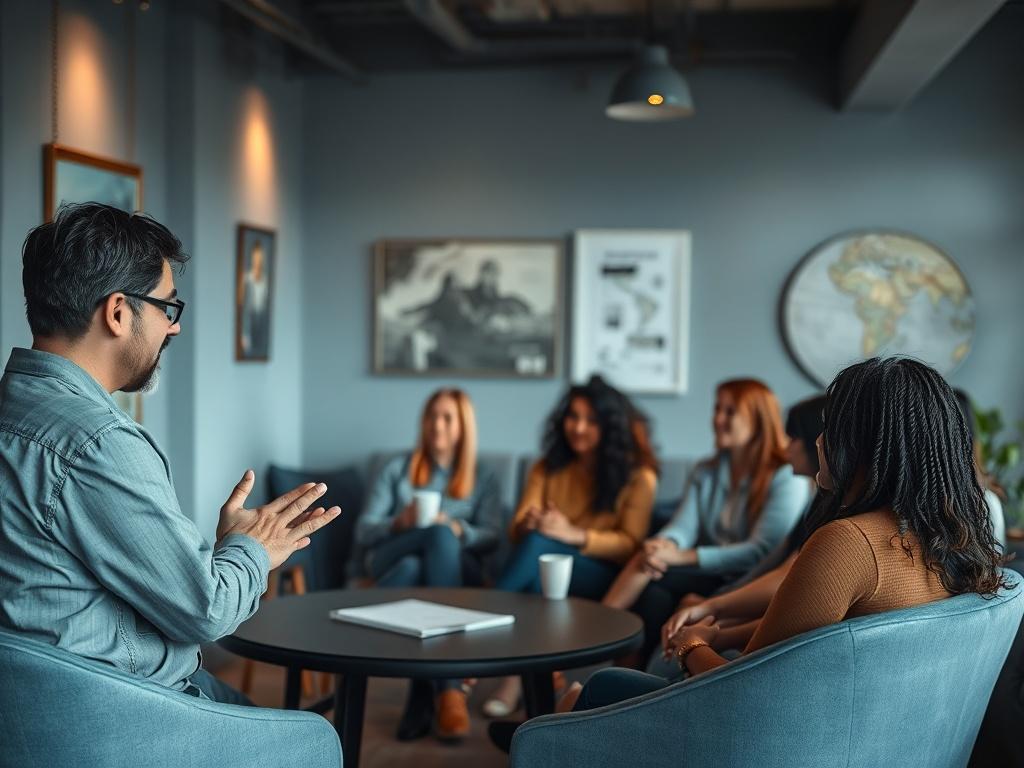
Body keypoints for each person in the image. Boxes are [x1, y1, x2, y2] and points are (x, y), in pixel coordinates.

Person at [0, 203, 340, 704]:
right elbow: (206, 610)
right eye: (167, 307)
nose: (173, 328)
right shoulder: (97, 444)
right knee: (317, 739)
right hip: (121, 709)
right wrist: (252, 549)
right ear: (118, 313)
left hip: (34, 706)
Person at [566, 357, 1008, 714]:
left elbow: (740, 687)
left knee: (594, 691)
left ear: (861, 443)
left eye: (828, 426)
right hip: (867, 729)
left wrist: (692, 645)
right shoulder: (951, 537)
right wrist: (724, 634)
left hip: (780, 737)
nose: (817, 441)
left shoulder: (849, 542)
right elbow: (815, 631)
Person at [482, 375, 659, 717]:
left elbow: (630, 545)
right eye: (572, 416)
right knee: (538, 558)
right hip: (545, 565)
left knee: (540, 552)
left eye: (591, 420)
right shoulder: (547, 468)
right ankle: (527, 687)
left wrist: (571, 533)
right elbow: (517, 529)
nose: (578, 427)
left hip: (603, 574)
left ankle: (496, 658)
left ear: (610, 426)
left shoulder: (639, 477)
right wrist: (531, 521)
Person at [601, 379, 809, 659]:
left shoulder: (785, 476)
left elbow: (759, 551)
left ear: (758, 420)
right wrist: (663, 544)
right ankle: (605, 649)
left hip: (746, 579)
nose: (717, 419)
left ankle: (608, 655)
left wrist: (681, 557)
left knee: (654, 585)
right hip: (706, 572)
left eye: (730, 412)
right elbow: (683, 526)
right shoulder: (705, 471)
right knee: (649, 567)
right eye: (717, 409)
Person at [353, 388, 502, 742]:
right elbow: (363, 531)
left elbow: (493, 537)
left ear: (463, 426)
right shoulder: (397, 469)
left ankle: (420, 699)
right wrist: (398, 522)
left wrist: (457, 529)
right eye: (432, 416)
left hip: (438, 568)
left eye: (447, 417)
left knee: (417, 566)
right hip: (391, 553)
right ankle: (448, 689)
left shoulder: (484, 476)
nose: (437, 425)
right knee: (431, 541)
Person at [237, 238, 271, 358]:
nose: (257, 261)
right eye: (255, 258)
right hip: (249, 323)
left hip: (261, 326)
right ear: (252, 258)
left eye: (259, 258)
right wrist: (244, 334)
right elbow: (243, 309)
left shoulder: (266, 281)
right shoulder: (247, 279)